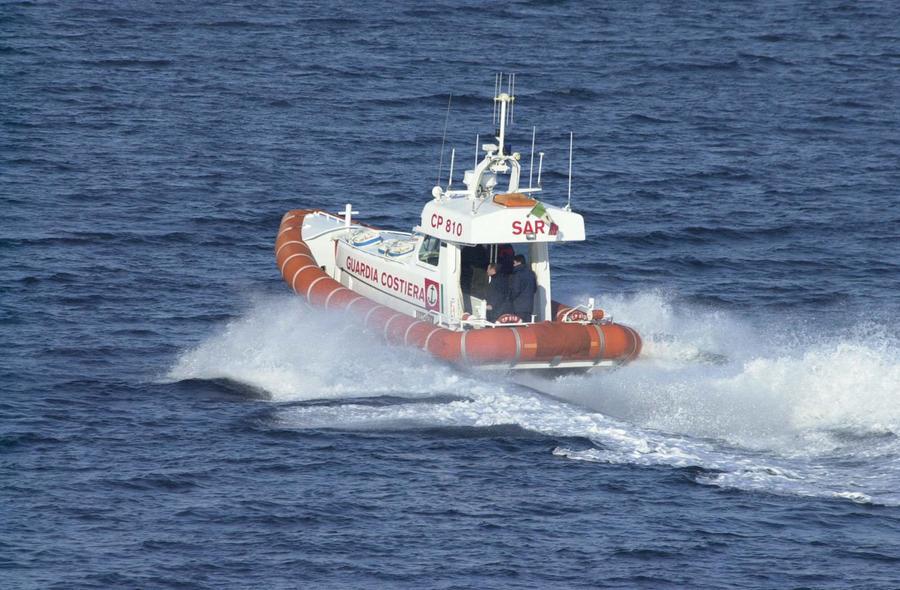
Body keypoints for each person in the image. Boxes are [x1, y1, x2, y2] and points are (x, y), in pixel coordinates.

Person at [508, 254, 537, 321]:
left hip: (518, 306)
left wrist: (509, 299)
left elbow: (516, 290)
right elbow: (534, 289)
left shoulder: (517, 274)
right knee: (526, 325)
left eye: (514, 263)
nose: (513, 265)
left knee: (519, 325)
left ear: (519, 262)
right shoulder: (531, 273)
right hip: (529, 306)